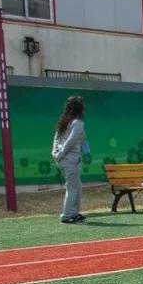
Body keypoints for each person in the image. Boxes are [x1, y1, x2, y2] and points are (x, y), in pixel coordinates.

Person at [52, 96, 88, 224]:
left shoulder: (65, 121)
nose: (85, 108)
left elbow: (57, 139)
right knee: (73, 187)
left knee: (77, 186)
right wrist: (59, 154)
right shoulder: (77, 123)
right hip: (70, 160)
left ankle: (74, 213)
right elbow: (70, 142)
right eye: (83, 106)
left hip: (66, 159)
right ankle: (66, 215)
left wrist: (55, 153)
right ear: (79, 108)